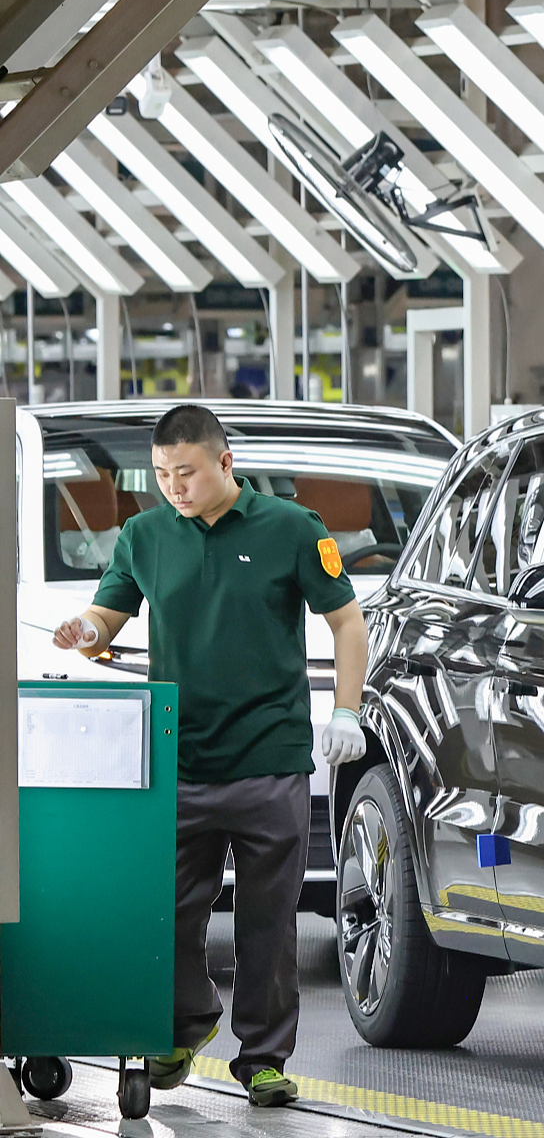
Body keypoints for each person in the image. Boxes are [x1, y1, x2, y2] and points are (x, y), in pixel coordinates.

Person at [50, 405, 369, 1107]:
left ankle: (262, 1057)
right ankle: (187, 1021)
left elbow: (347, 621)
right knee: (166, 910)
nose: (173, 487)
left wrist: (347, 709)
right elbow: (111, 613)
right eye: (162, 475)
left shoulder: (292, 529)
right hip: (180, 760)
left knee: (268, 920)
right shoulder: (144, 535)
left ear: (224, 463)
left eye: (185, 473)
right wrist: (86, 628)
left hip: (269, 755)